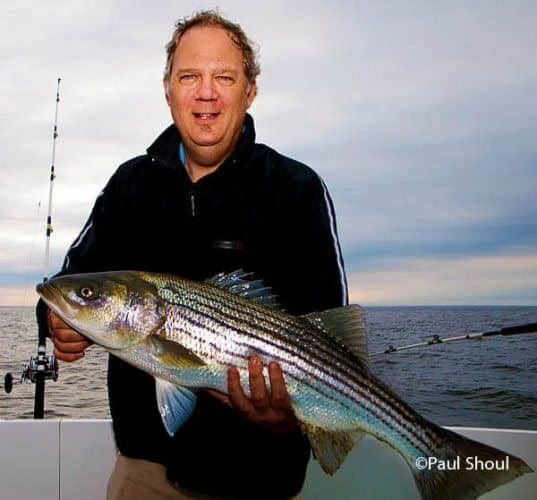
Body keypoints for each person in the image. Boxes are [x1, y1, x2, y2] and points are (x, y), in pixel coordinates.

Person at [37, 10, 348, 500]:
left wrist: (284, 418)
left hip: (259, 480)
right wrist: (54, 321)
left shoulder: (296, 190)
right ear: (168, 88)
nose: (206, 93)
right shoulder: (129, 186)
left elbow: (334, 337)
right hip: (146, 472)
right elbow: (71, 282)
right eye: (189, 77)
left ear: (250, 91)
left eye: (224, 77)